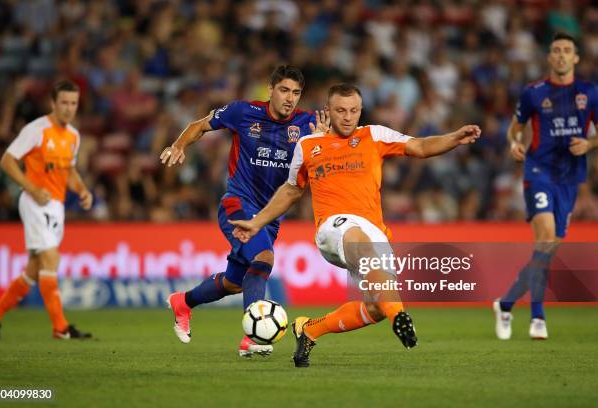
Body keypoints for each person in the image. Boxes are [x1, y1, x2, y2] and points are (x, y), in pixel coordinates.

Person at [230, 83, 481, 367]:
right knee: (355, 237)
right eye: (340, 111)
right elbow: (290, 191)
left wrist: (454, 137)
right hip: (333, 227)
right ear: (329, 110)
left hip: (374, 232)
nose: (347, 117)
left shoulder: (374, 135)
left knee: (376, 307)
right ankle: (399, 315)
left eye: (353, 111)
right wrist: (256, 222)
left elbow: (420, 146)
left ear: (361, 110)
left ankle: (310, 329)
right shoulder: (309, 145)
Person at [161, 65, 328, 357]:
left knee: (233, 283)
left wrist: (322, 142)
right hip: (237, 204)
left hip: (270, 215)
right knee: (263, 258)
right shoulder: (243, 112)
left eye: (296, 93)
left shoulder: (308, 123)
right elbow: (199, 125)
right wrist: (178, 145)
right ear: (271, 89)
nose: (290, 98)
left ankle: (183, 302)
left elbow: (327, 156)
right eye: (285, 90)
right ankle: (251, 338)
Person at [493, 32, 598, 340]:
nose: (562, 55)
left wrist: (590, 144)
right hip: (538, 171)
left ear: (576, 58)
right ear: (550, 57)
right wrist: (514, 144)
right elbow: (515, 130)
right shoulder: (534, 93)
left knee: (547, 249)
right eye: (557, 51)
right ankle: (537, 318)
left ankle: (506, 303)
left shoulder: (590, 93)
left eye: (568, 50)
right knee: (547, 239)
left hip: (570, 177)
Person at [0, 80, 93, 340]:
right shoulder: (37, 130)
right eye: (64, 103)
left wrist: (82, 190)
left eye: (73, 103)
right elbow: (7, 161)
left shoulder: (74, 137)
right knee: (50, 259)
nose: (69, 108)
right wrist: (31, 188)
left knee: (34, 269)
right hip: (35, 203)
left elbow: (69, 170)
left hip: (56, 207)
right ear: (53, 104)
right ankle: (60, 328)